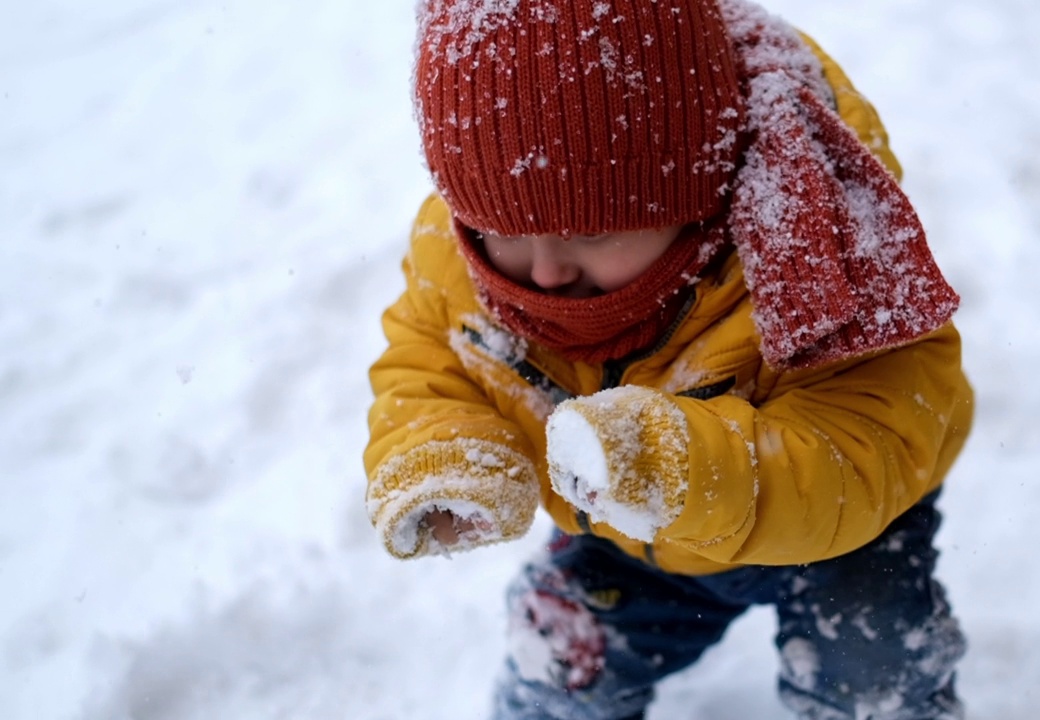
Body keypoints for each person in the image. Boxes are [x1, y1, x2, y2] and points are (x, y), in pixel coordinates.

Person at [363, 0, 974, 717]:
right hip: (624, 539)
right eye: (503, 229)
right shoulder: (459, 252)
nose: (548, 271)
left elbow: (872, 432)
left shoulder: (814, 232)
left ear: (694, 191)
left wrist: (683, 470)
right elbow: (428, 355)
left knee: (874, 667)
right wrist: (445, 450)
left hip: (845, 533)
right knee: (562, 654)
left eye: (593, 235)